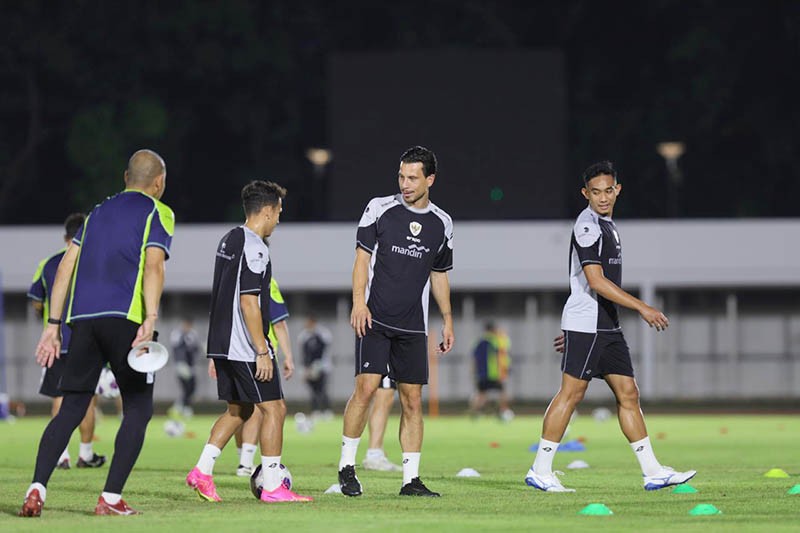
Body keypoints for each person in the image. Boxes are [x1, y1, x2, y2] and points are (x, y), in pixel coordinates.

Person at [524, 161, 695, 493]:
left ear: (617, 190)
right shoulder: (587, 226)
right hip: (589, 324)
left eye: (608, 191)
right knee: (572, 393)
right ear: (585, 193)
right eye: (595, 192)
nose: (603, 198)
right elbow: (596, 282)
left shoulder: (608, 225)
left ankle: (652, 472)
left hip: (604, 326)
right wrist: (642, 307)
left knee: (629, 393)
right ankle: (540, 470)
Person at [20, 149, 173, 517]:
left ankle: (36, 487)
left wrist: (53, 327)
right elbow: (153, 266)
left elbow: (64, 271)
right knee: (138, 407)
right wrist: (150, 317)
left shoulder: (95, 213)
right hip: (125, 319)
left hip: (81, 321)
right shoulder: (157, 211)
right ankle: (110, 498)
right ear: (159, 182)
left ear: (125, 177)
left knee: (71, 406)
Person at [337, 145, 454, 497]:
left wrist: (448, 320)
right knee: (366, 389)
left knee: (412, 401)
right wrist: (359, 303)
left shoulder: (442, 223)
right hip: (374, 317)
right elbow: (361, 260)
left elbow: (440, 275)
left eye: (413, 178)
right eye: (401, 176)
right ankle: (346, 466)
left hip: (413, 325)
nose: (405, 184)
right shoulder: (379, 209)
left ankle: (410, 480)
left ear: (430, 180)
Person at [186, 180, 311, 503]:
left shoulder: (230, 239)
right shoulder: (255, 248)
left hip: (223, 345)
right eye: (279, 213)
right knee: (275, 410)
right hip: (245, 346)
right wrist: (262, 350)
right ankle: (271, 486)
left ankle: (202, 471)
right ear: (267, 211)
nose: (279, 220)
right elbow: (248, 302)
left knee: (239, 411)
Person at [27, 213, 106, 470]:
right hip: (88, 340)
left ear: (65, 237)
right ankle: (86, 453)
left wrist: (46, 317)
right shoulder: (96, 262)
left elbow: (37, 302)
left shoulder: (48, 264)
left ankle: (61, 456)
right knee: (88, 399)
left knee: (59, 397)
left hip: (57, 342)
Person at [233, 277, 295, 477]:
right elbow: (278, 323)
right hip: (259, 355)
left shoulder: (232, 280)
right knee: (265, 408)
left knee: (237, 408)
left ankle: (206, 466)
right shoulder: (266, 280)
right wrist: (288, 356)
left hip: (231, 352)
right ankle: (246, 463)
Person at [469, 323, 513, 420]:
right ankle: (503, 411)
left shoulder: (479, 342)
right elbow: (500, 358)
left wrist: (473, 372)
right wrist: (503, 371)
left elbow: (474, 359)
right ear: (493, 329)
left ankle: (475, 412)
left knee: (481, 394)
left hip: (482, 374)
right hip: (494, 373)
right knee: (502, 393)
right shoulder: (495, 341)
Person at [361, 377, 402, 471]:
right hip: (385, 362)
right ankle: (374, 454)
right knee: (384, 395)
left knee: (382, 396)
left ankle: (376, 451)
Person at [297, 316, 333, 421]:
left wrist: (317, 366)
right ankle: (315, 410)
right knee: (313, 390)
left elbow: (323, 351)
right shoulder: (304, 336)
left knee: (322, 389)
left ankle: (327, 410)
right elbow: (304, 354)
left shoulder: (322, 334)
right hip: (308, 368)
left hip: (322, 367)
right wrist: (305, 369)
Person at [169, 318, 202, 418]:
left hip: (191, 364)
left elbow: (196, 348)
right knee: (186, 386)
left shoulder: (193, 334)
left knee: (191, 387)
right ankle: (183, 407)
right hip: (181, 364)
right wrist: (180, 363)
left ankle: (180, 406)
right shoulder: (177, 334)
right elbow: (177, 349)